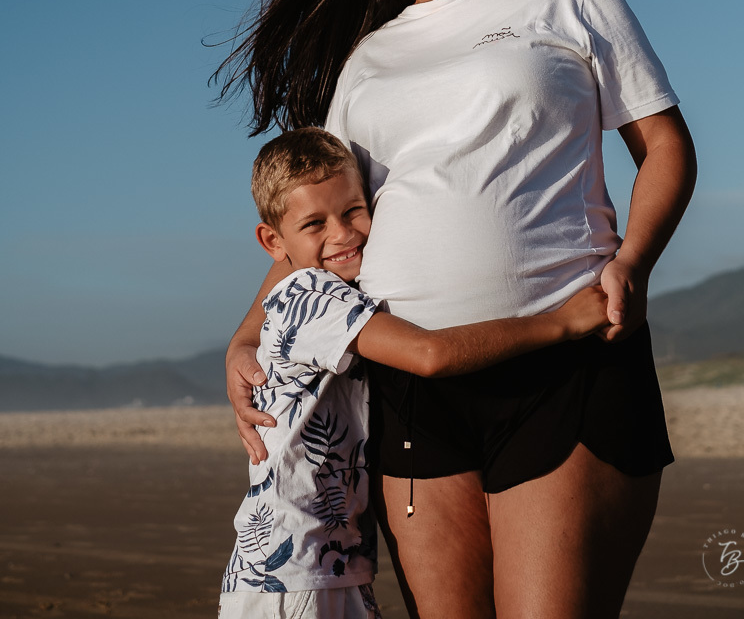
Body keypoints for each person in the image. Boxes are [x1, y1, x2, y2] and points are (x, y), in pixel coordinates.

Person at [215, 0, 697, 619]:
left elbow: (666, 145)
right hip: (409, 391)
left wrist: (631, 264)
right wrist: (246, 334)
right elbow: (325, 228)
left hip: (567, 354)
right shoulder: (367, 63)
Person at [221, 126, 610, 619]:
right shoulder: (310, 299)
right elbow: (429, 354)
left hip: (326, 561)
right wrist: (561, 322)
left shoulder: (328, 290)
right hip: (289, 572)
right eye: (314, 224)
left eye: (353, 211)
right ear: (273, 242)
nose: (341, 233)